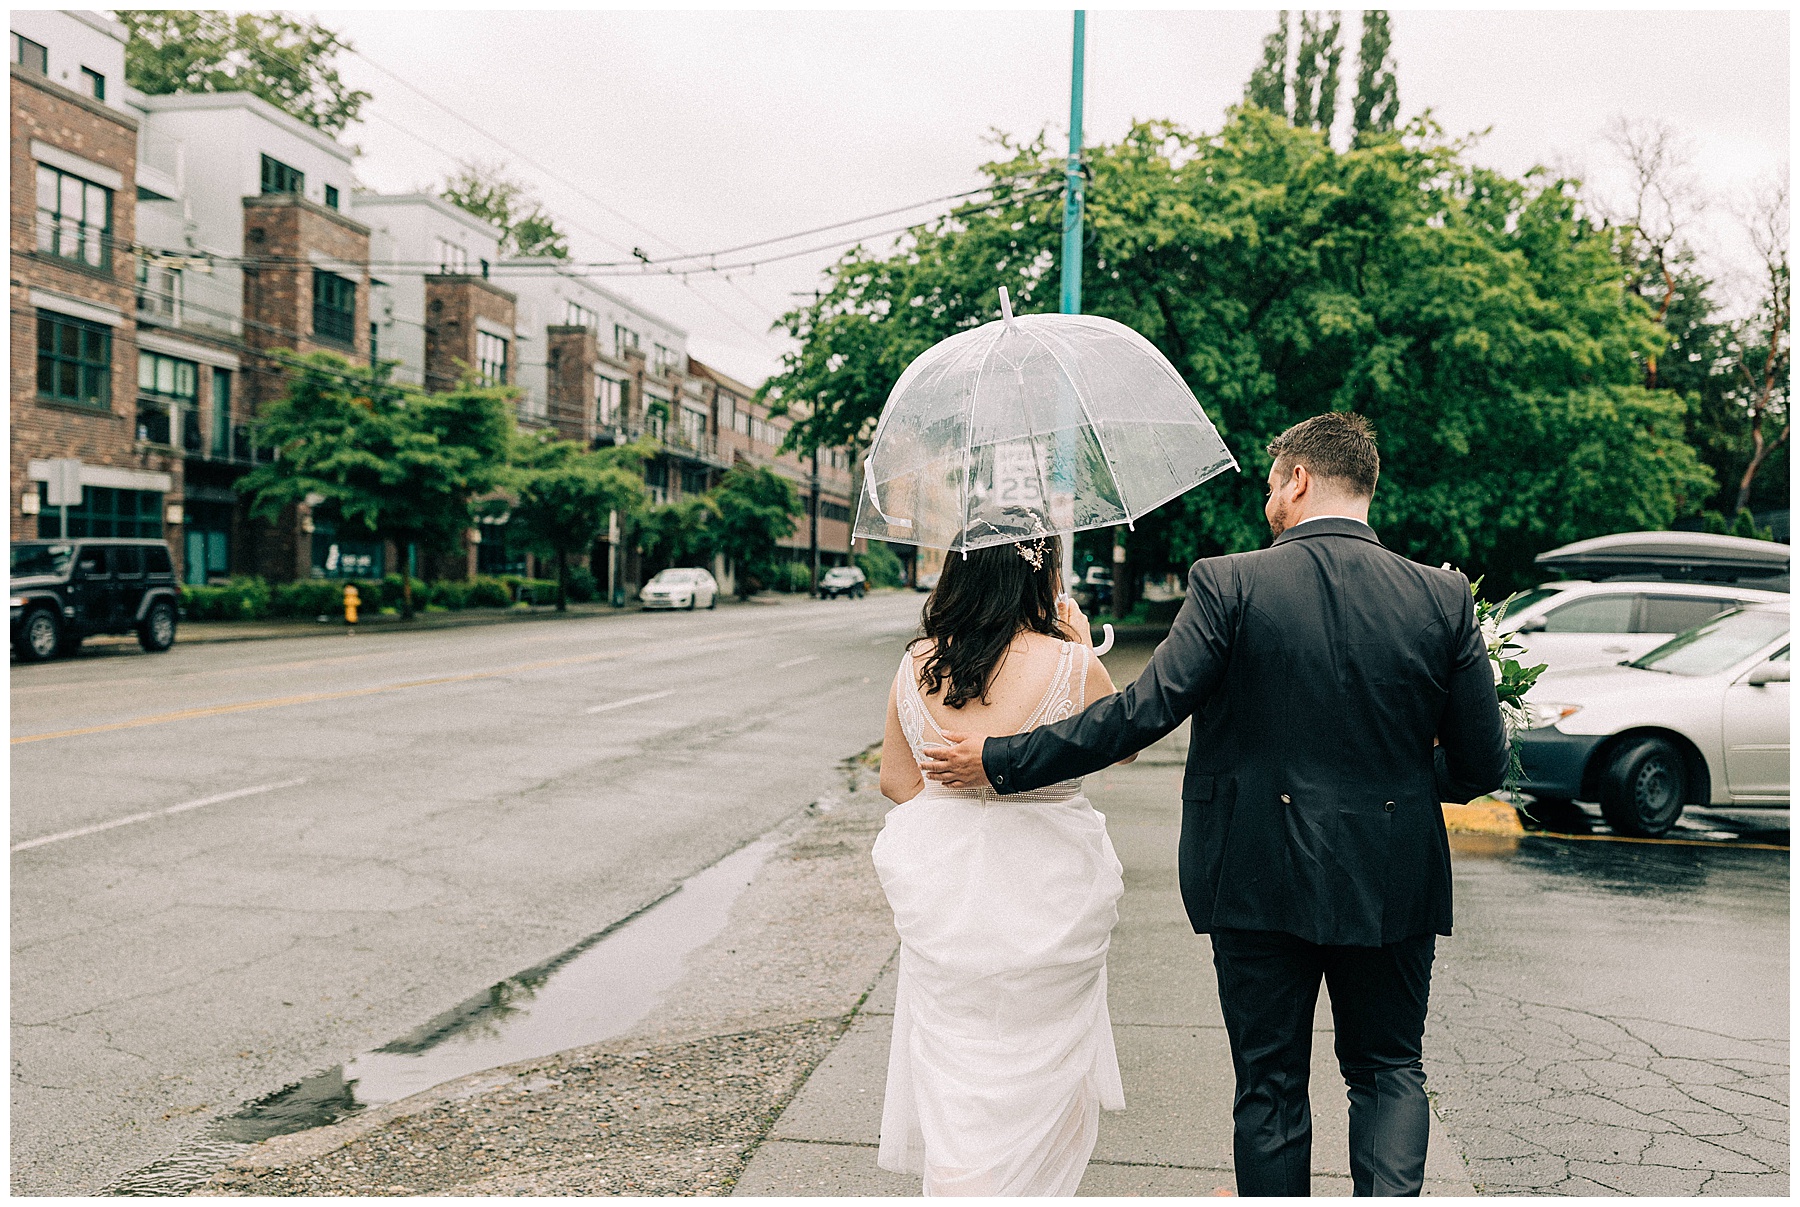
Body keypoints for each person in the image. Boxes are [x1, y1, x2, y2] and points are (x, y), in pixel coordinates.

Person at [921, 412, 1509, 1197]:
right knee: (1388, 1070)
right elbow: (1481, 763)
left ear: (1298, 479)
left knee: (1269, 1087)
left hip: (1257, 874)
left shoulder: (1230, 582)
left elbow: (1141, 712)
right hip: (1391, 874)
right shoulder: (1441, 597)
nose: (1269, 498)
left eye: (1272, 482)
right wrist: (1391, 783)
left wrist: (1000, 760)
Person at [873, 532, 1134, 1196]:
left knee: (956, 1066)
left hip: (950, 900)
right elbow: (1122, 748)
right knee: (1043, 1066)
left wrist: (958, 808)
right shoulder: (1069, 664)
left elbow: (896, 782)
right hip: (1051, 894)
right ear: (1039, 577)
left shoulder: (917, 664)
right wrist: (1079, 648)